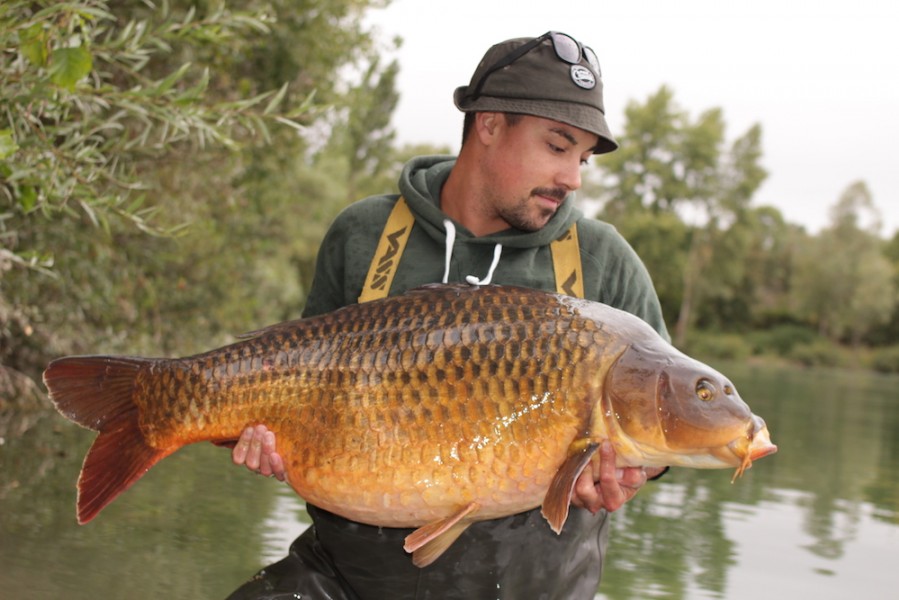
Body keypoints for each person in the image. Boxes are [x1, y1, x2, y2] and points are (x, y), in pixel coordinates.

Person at [227, 31, 669, 600]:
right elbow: (292, 382)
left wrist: (632, 473)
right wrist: (271, 438)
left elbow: (663, 409)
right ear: (488, 125)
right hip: (348, 578)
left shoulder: (604, 262)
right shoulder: (365, 235)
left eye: (582, 157)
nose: (574, 178)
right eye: (558, 148)